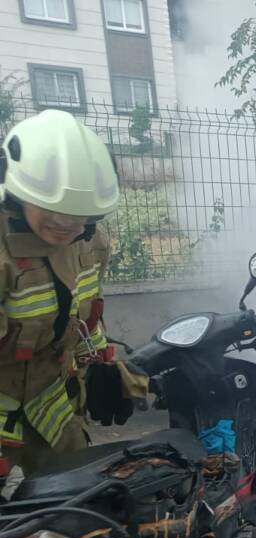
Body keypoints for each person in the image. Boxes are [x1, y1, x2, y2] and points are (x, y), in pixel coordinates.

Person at [0, 109, 135, 480]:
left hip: (52, 402)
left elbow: (84, 313)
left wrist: (100, 362)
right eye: (53, 209)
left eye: (82, 215)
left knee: (77, 508)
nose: (67, 225)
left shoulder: (90, 242)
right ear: (18, 193)